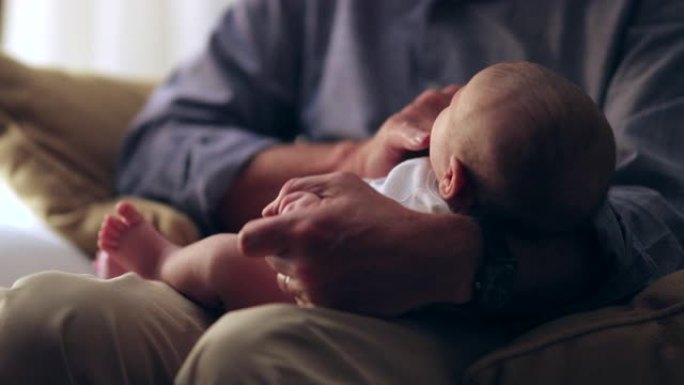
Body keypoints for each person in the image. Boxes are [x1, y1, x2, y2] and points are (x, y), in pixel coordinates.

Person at [1, 1, 683, 384]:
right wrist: (351, 160)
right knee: (44, 319)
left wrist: (456, 259)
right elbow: (160, 144)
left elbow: (663, 210)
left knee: (255, 354)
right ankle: (165, 266)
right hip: (282, 269)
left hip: (480, 316)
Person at [97, 62, 615, 313]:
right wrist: (355, 155)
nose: (441, 105)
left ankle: (161, 262)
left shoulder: (424, 196)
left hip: (328, 305)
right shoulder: (535, 217)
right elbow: (158, 143)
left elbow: (341, 224)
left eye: (451, 113)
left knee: (222, 258)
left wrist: (306, 199)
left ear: (452, 177)